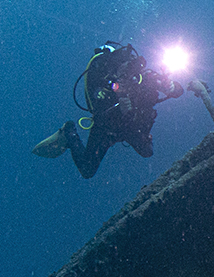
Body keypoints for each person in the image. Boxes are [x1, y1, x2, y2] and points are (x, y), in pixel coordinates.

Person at [32, 41, 185, 178]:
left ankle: (69, 133)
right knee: (87, 169)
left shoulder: (145, 79)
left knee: (146, 151)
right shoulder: (107, 85)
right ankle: (69, 132)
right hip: (108, 128)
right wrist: (116, 93)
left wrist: (171, 86)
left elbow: (177, 91)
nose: (126, 75)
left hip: (128, 128)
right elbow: (100, 108)